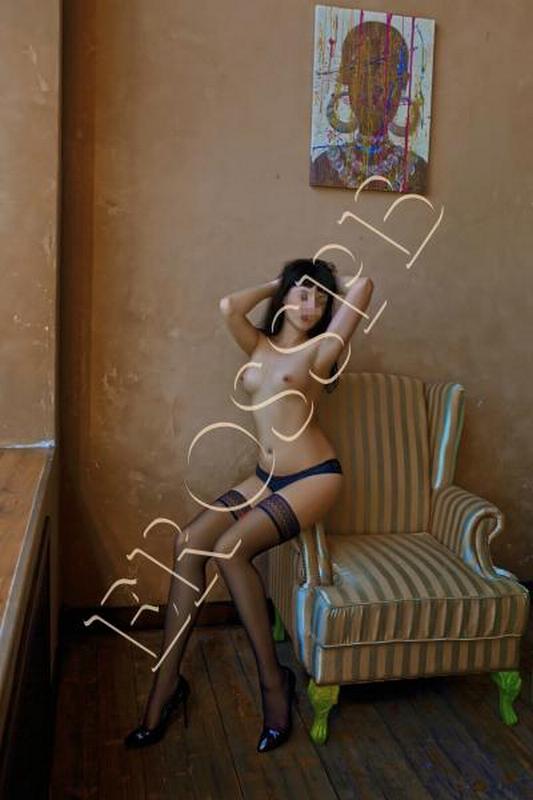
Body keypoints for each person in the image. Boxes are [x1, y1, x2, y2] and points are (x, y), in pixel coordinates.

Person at [124, 257, 374, 752]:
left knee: (230, 549)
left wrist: (321, 280)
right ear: (284, 297)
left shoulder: (322, 349)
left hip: (314, 478)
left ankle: (273, 683)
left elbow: (364, 285)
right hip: (265, 478)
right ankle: (166, 685)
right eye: (302, 293)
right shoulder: (256, 345)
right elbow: (228, 306)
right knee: (189, 543)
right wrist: (284, 280)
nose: (311, 304)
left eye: (321, 298)